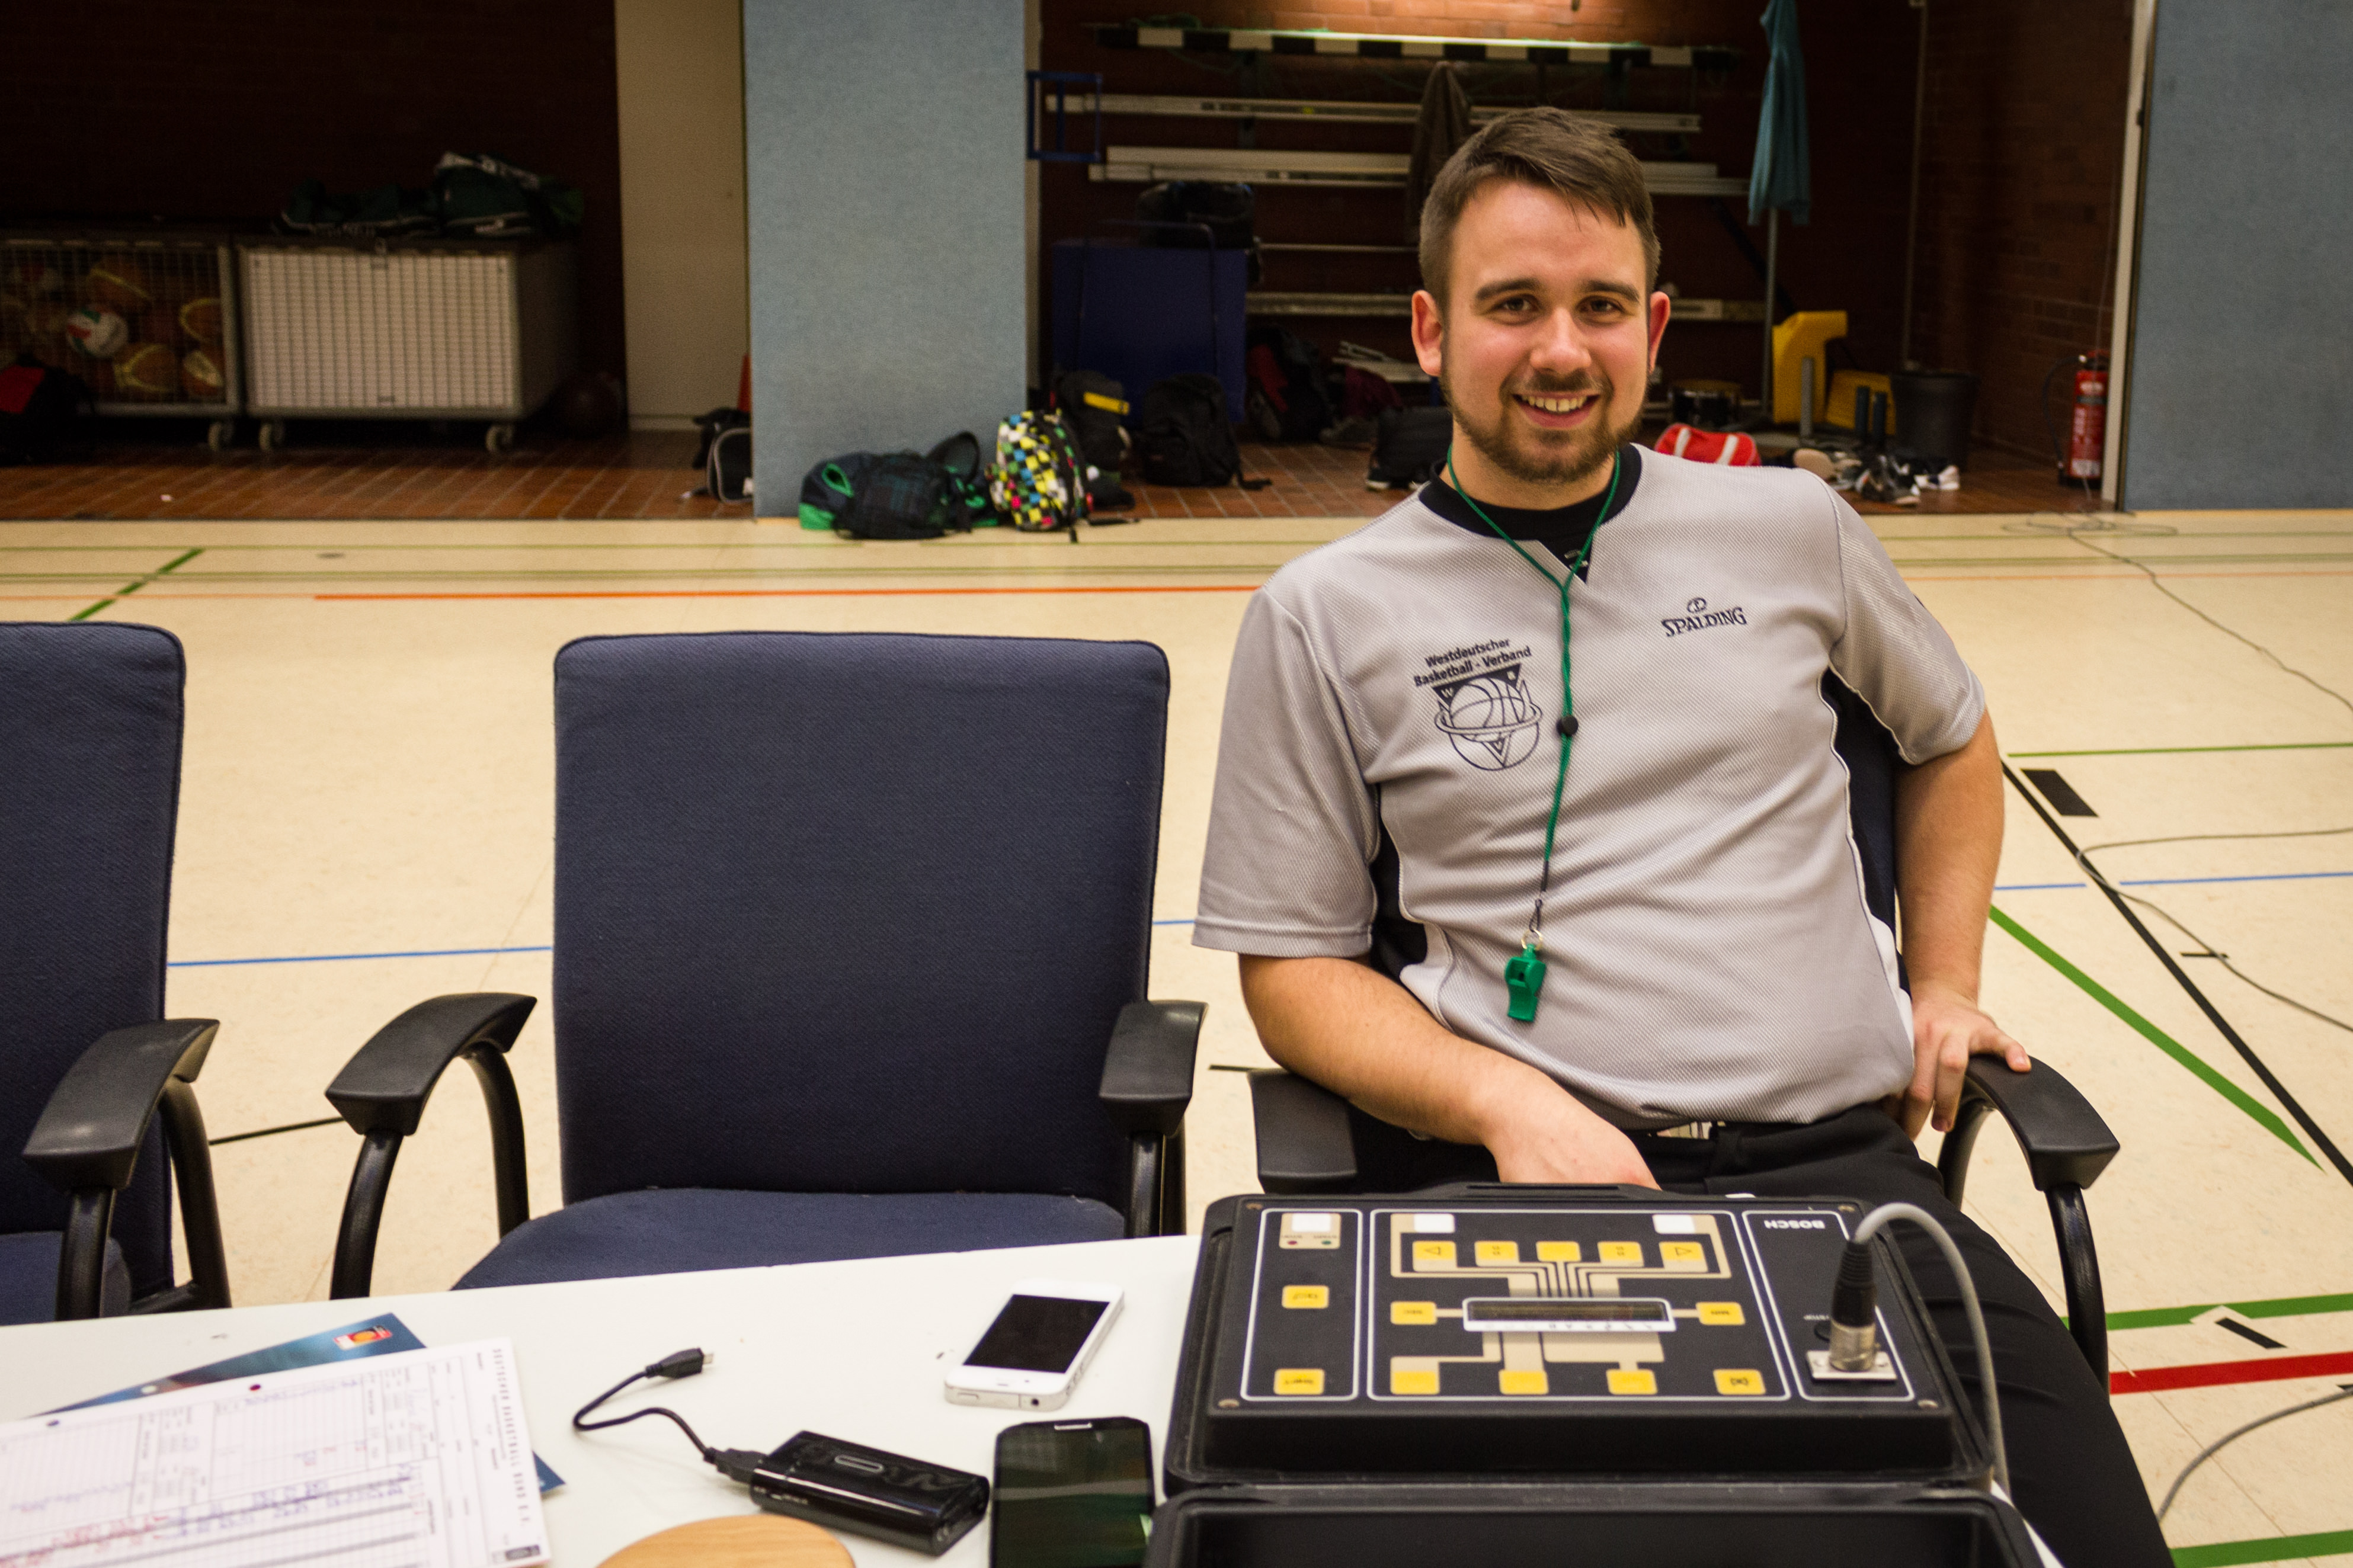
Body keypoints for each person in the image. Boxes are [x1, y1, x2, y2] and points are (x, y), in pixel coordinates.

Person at [1192, 108, 2168, 1567]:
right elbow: (1293, 971)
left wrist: (1947, 983)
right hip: (1535, 1199)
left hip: (1844, 1185)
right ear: (1429, 331)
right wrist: (1506, 1106)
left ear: (1652, 328)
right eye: (1513, 305)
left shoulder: (1794, 527)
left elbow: (1953, 740)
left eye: (1600, 306)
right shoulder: (1323, 615)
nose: (1561, 350)